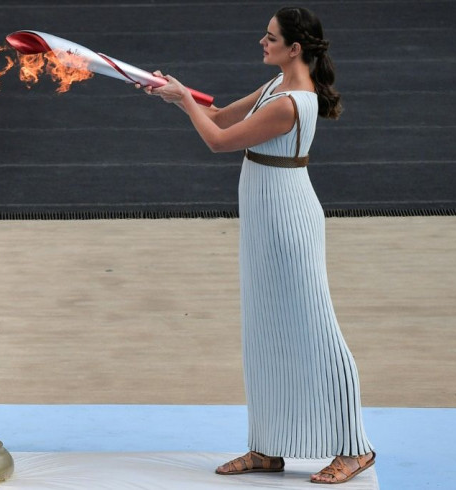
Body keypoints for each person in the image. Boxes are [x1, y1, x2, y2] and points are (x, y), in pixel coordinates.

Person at [137, 6, 376, 485]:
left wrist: (186, 102)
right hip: (264, 217)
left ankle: (355, 447)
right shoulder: (274, 88)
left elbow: (219, 141)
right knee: (263, 328)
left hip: (289, 220)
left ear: (295, 48)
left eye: (270, 38)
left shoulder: (290, 103)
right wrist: (175, 94)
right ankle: (268, 447)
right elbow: (220, 115)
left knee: (317, 329)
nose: (260, 42)